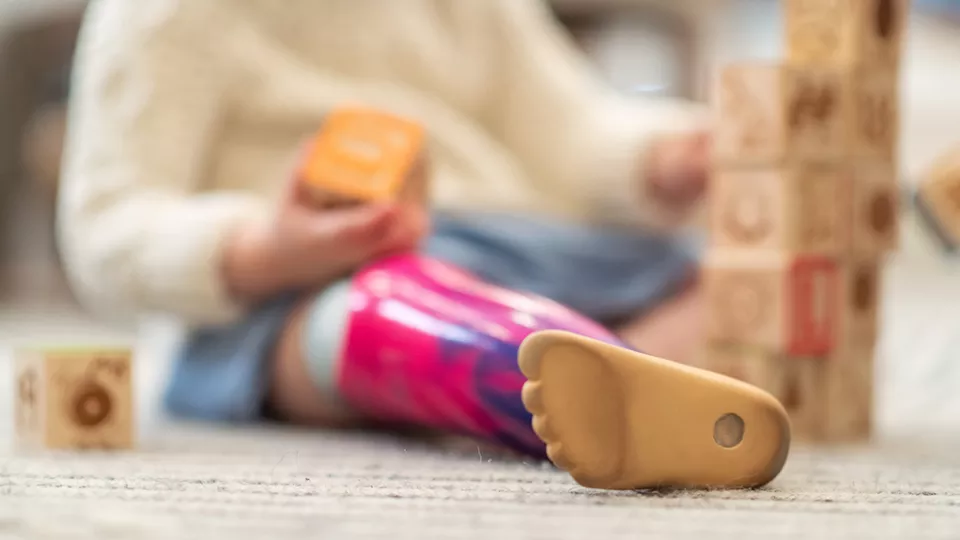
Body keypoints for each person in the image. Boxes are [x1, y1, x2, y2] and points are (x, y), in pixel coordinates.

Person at [58, 0, 710, 440]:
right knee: (338, 321)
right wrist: (264, 249)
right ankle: (544, 380)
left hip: (506, 241)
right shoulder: (167, 16)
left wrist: (658, 158)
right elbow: (109, 225)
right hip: (291, 288)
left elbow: (567, 128)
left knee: (720, 280)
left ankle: (622, 386)